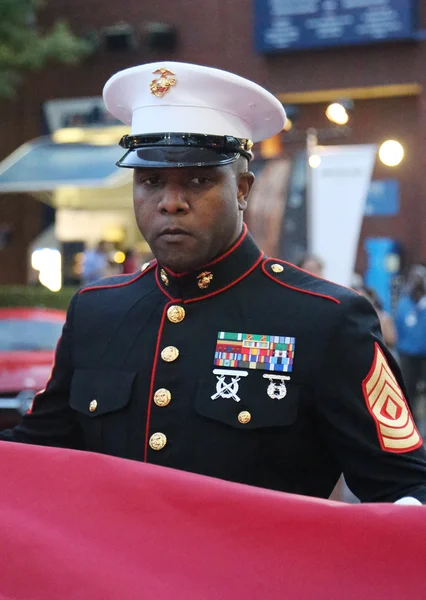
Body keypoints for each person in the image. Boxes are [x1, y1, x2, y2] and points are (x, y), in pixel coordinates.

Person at [2, 61, 426, 504]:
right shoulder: (97, 311)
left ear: (243, 189)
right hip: (114, 572)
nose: (170, 203)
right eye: (150, 181)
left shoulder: (324, 320)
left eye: (199, 180)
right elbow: (35, 452)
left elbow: (404, 490)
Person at [395, 265, 426, 415]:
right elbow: (398, 329)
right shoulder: (403, 305)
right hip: (407, 354)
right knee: (408, 391)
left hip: (424, 355)